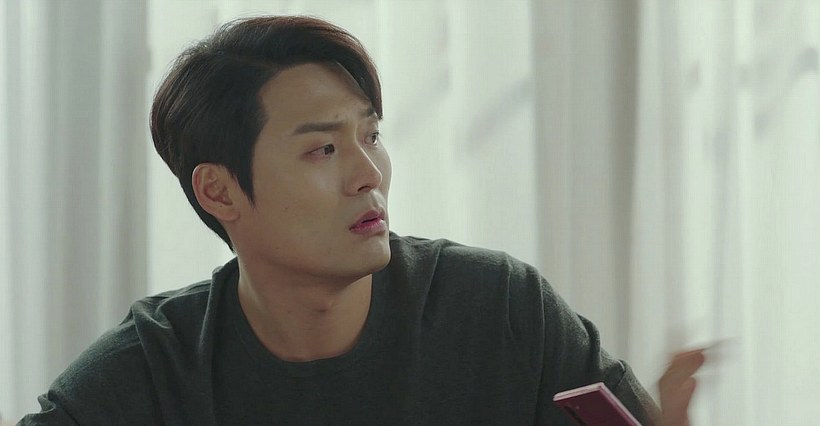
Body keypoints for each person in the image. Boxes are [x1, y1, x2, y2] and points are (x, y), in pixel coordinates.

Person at [21, 16, 703, 425]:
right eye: (322, 149)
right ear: (219, 191)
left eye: (370, 136)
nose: (367, 173)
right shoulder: (148, 376)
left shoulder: (500, 311)